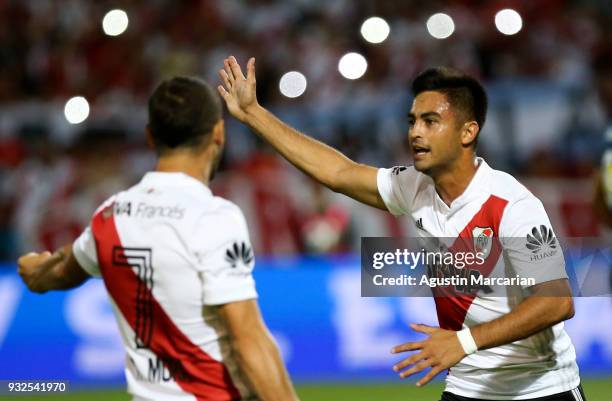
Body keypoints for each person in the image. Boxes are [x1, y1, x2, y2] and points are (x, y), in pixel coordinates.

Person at [217, 56, 586, 401]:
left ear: (467, 132)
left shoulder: (513, 205)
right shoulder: (414, 187)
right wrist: (254, 115)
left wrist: (464, 342)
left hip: (542, 387)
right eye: (412, 121)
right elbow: (338, 172)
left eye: (430, 121)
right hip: (469, 386)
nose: (415, 133)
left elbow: (556, 300)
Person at [17, 77, 299, 401]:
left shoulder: (110, 216)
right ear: (218, 133)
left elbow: (55, 271)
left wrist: (34, 269)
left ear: (151, 137)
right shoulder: (213, 216)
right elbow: (247, 339)